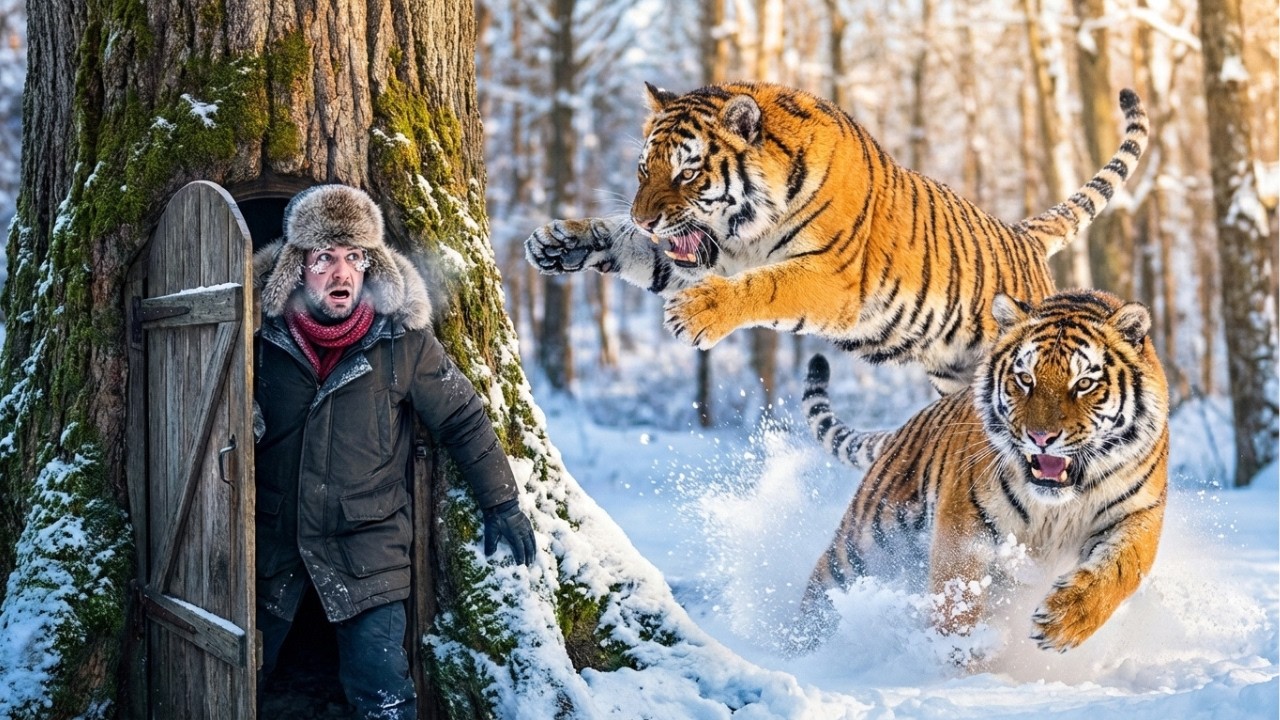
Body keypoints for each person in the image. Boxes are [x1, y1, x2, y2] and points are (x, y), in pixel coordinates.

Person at [252, 184, 535, 719]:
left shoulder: (403, 342)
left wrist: (502, 502)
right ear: (297, 267)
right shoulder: (262, 340)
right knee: (239, 682)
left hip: (369, 548)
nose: (340, 272)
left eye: (354, 257)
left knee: (382, 692)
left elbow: (462, 417)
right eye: (324, 257)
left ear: (371, 265)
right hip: (273, 546)